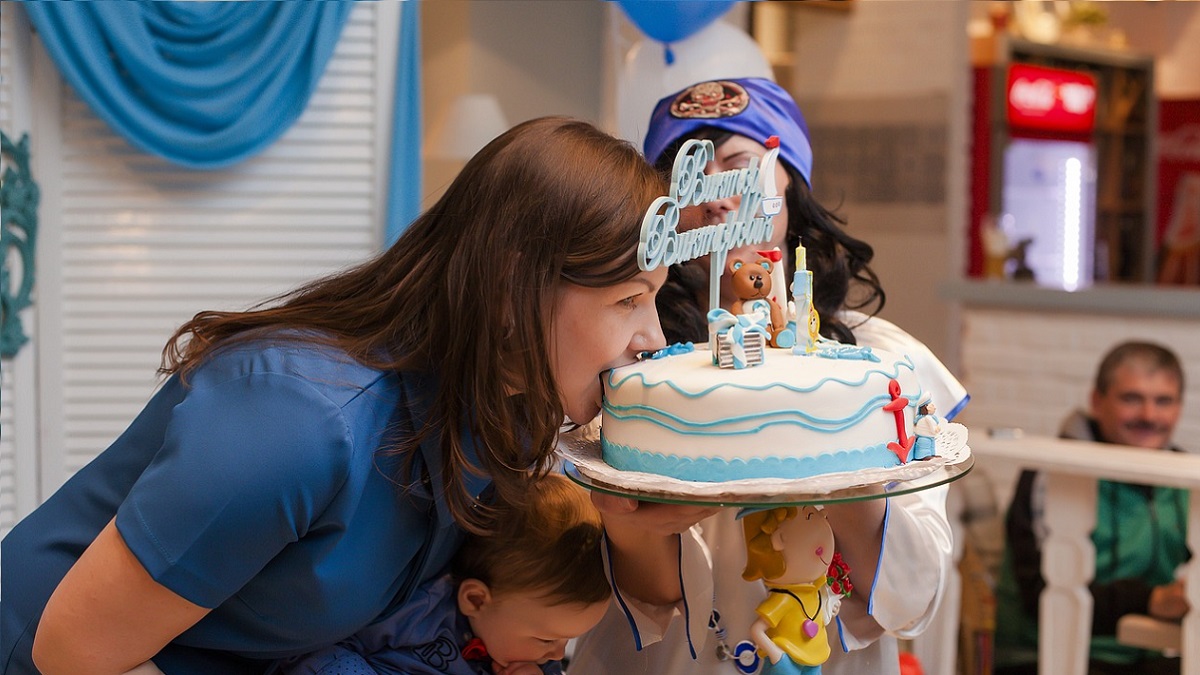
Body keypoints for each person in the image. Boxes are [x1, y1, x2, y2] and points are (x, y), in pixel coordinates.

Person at [0, 116, 670, 675]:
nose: (653, 337)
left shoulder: (509, 411)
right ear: (510, 289)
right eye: (628, 300)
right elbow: (72, 652)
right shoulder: (299, 423)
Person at [571, 78, 970, 675]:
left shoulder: (880, 364)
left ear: (791, 180)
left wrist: (832, 441)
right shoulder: (633, 367)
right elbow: (636, 596)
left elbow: (913, 600)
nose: (716, 199)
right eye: (691, 177)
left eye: (739, 166)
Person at [279, 474, 610, 675]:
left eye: (567, 640)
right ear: (476, 600)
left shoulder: (533, 659)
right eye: (548, 640)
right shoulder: (417, 609)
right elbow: (318, 648)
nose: (556, 654)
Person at [994, 341, 1189, 675]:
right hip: (1047, 654)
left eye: (1164, 401)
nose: (1149, 415)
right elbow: (1039, 593)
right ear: (1097, 402)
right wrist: (1150, 600)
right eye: (1132, 398)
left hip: (1148, 652)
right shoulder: (1050, 474)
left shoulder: (1183, 478)